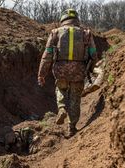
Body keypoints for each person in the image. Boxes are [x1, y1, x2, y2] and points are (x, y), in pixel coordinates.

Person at [38, 9, 97, 138]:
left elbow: (47, 55)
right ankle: (72, 128)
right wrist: (92, 70)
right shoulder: (86, 33)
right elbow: (93, 54)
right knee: (75, 98)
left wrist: (41, 74)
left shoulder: (55, 33)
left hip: (60, 70)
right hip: (78, 70)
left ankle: (62, 108)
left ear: (63, 19)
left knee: (60, 89)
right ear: (77, 20)